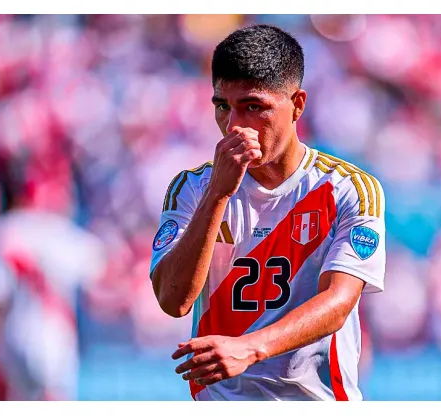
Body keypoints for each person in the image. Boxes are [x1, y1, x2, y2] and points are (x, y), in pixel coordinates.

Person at [149, 24, 386, 401]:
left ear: (297, 105)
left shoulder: (347, 188)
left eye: (254, 107)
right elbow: (173, 300)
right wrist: (218, 195)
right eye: (223, 106)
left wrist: (251, 347)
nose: (235, 126)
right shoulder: (192, 189)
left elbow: (338, 303)